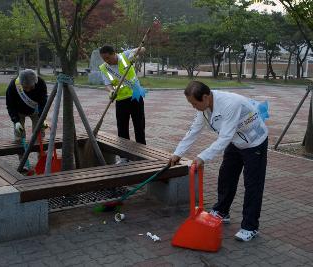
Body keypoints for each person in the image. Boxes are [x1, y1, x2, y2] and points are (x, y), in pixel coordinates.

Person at [168, 81, 268, 242]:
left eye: (194, 103)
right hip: (235, 141)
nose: (193, 107)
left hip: (253, 142)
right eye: (190, 103)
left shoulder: (230, 104)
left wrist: (202, 157)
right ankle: (222, 211)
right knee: (226, 176)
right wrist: (177, 153)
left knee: (252, 185)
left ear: (206, 97)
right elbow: (194, 130)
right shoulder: (205, 107)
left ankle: (250, 227)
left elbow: (225, 137)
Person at [99, 45, 146, 146]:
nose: (106, 60)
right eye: (103, 59)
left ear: (114, 53)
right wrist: (111, 91)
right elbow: (107, 84)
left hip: (136, 96)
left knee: (139, 126)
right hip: (121, 100)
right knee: (122, 128)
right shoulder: (104, 68)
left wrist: (133, 54)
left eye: (107, 58)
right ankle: (124, 156)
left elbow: (142, 49)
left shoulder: (125, 56)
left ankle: (142, 152)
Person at [6, 69, 48, 164]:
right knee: (19, 137)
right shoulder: (13, 85)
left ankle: (42, 161)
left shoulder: (40, 83)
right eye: (25, 87)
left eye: (31, 87)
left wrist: (43, 118)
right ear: (21, 84)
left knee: (40, 135)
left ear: (35, 82)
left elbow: (43, 102)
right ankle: (23, 162)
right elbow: (10, 105)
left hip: (36, 111)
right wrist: (16, 121)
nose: (28, 89)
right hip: (19, 112)